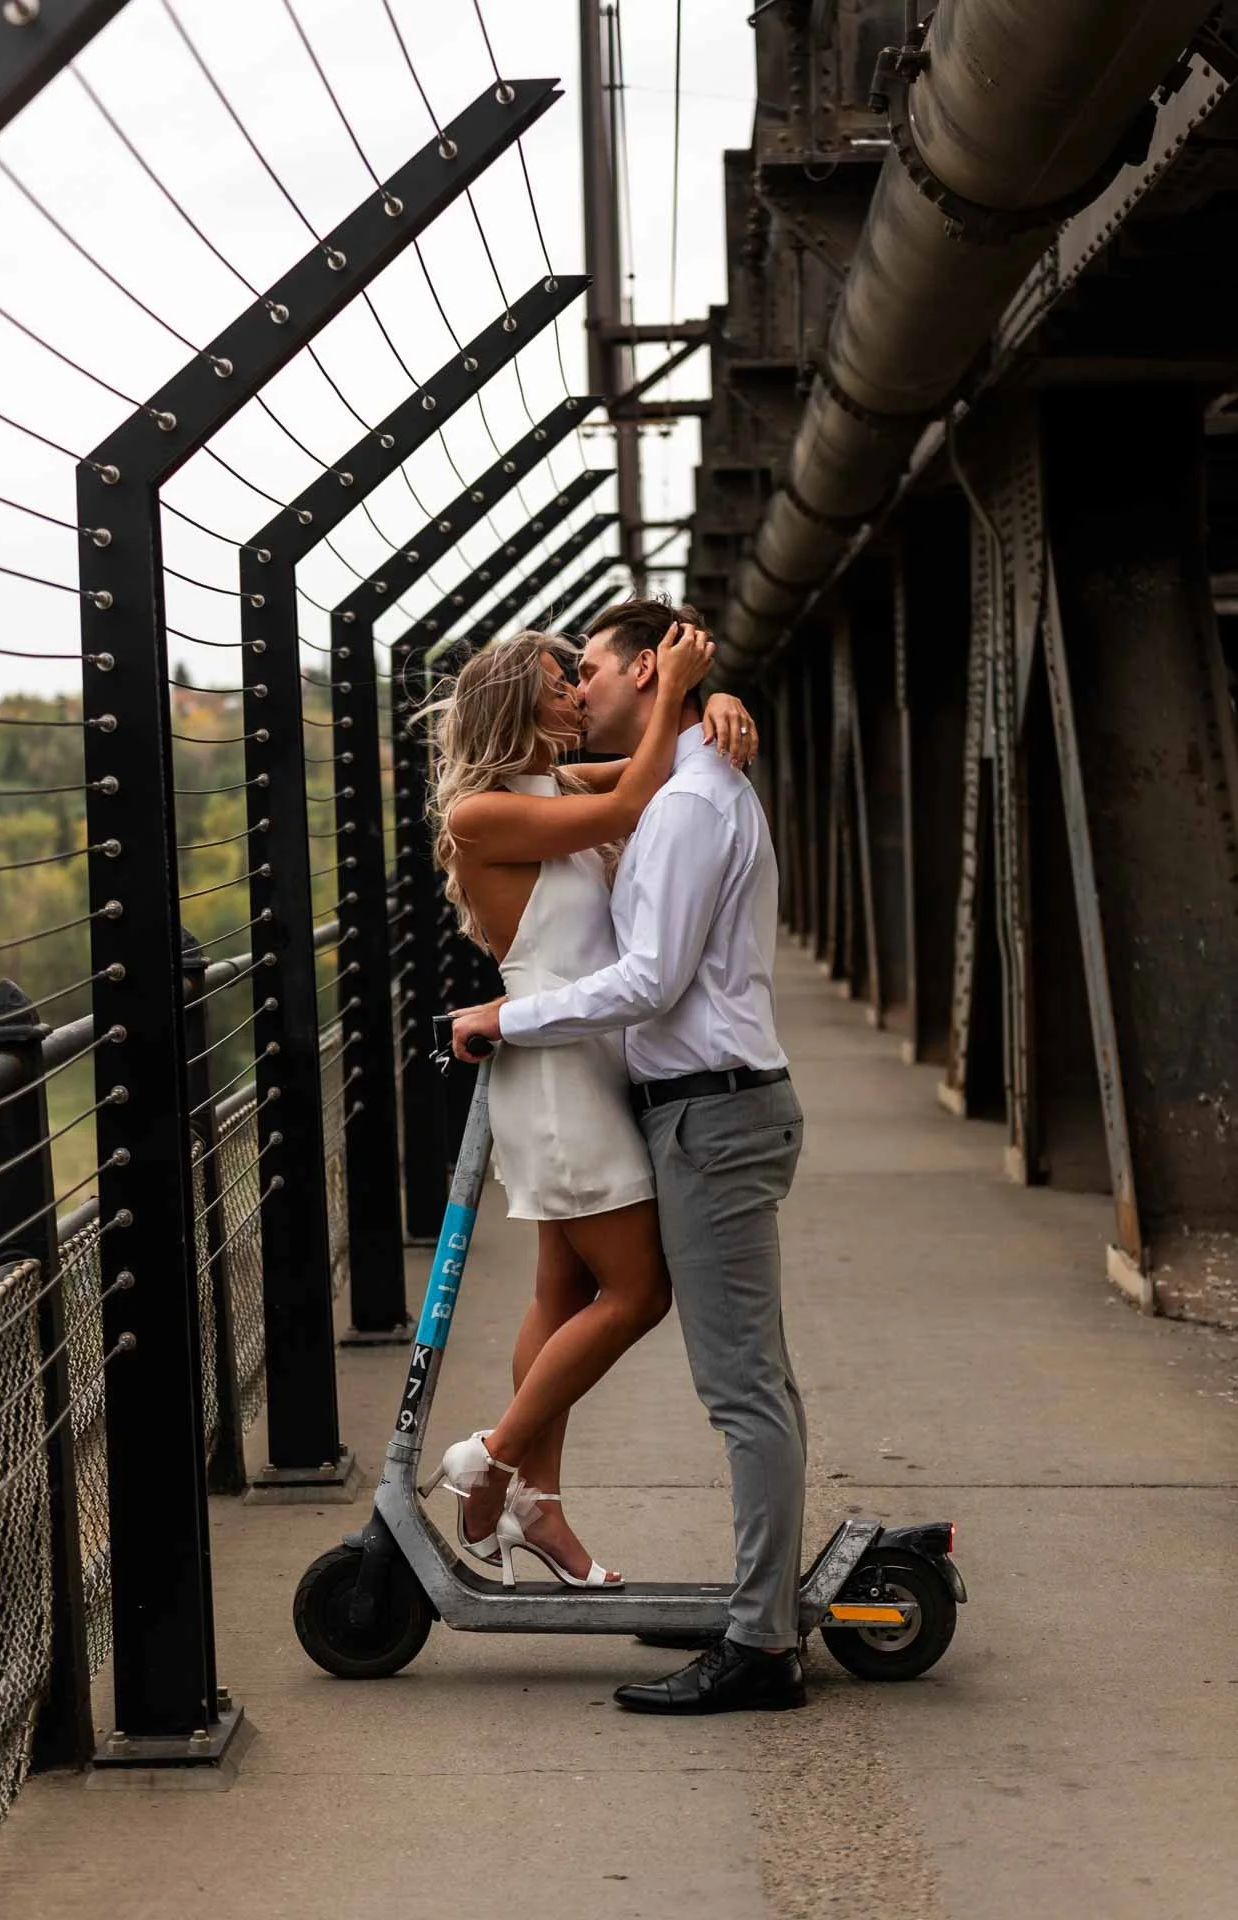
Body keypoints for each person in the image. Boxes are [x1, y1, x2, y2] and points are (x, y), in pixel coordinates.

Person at [453, 598, 807, 1716]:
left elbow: (648, 954)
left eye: (591, 674)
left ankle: (520, 1484)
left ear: (642, 673)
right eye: (562, 685)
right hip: (582, 1076)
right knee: (614, 1298)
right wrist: (693, 703)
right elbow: (638, 793)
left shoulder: (651, 793)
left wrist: (706, 702)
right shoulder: (515, 804)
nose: (579, 691)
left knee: (661, 1335)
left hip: (646, 1081)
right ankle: (511, 1476)